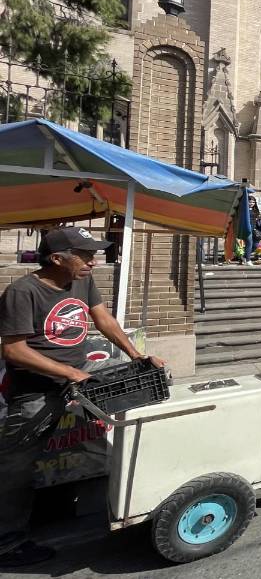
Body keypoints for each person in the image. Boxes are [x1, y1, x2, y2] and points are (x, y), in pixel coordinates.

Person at [0, 227, 165, 567]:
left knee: (140, 393)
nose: (93, 261)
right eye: (85, 255)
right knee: (16, 468)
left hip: (81, 373)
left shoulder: (82, 281)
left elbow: (103, 319)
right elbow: (14, 351)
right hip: (38, 390)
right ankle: (7, 542)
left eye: (93, 254)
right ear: (57, 259)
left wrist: (136, 355)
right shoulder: (22, 292)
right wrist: (68, 373)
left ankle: (136, 494)